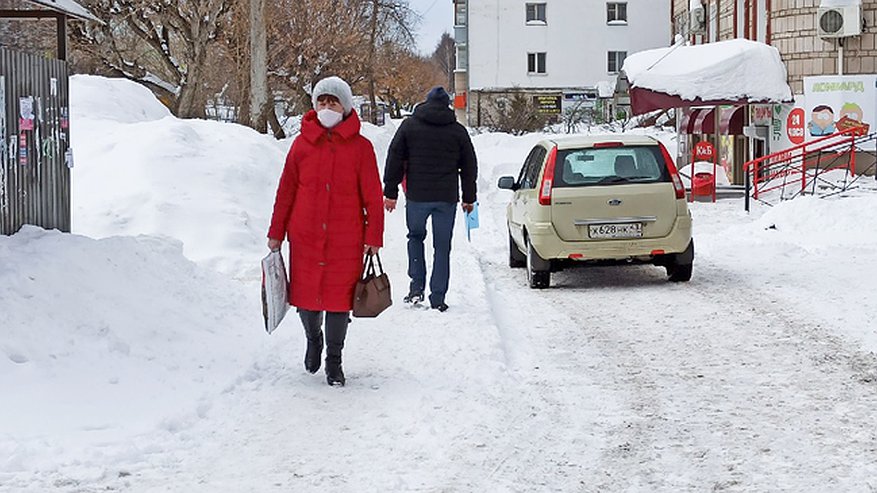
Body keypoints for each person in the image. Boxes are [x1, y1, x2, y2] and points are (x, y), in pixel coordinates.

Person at [267, 76, 384, 387]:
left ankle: (334, 360)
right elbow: (286, 191)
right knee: (305, 298)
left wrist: (374, 237)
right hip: (304, 235)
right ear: (315, 105)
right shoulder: (301, 144)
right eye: (322, 101)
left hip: (346, 238)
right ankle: (312, 338)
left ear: (345, 107)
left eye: (334, 101)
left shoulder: (361, 148)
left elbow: (373, 195)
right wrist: (276, 232)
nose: (327, 106)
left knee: (338, 300)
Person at [383, 86, 477, 312]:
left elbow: (394, 157)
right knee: (442, 247)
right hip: (446, 198)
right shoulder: (457, 131)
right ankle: (438, 297)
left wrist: (391, 192)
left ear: (425, 103)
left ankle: (416, 288)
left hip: (417, 196)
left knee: (415, 237)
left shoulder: (409, 126)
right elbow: (469, 166)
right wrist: (469, 197)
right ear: (447, 106)